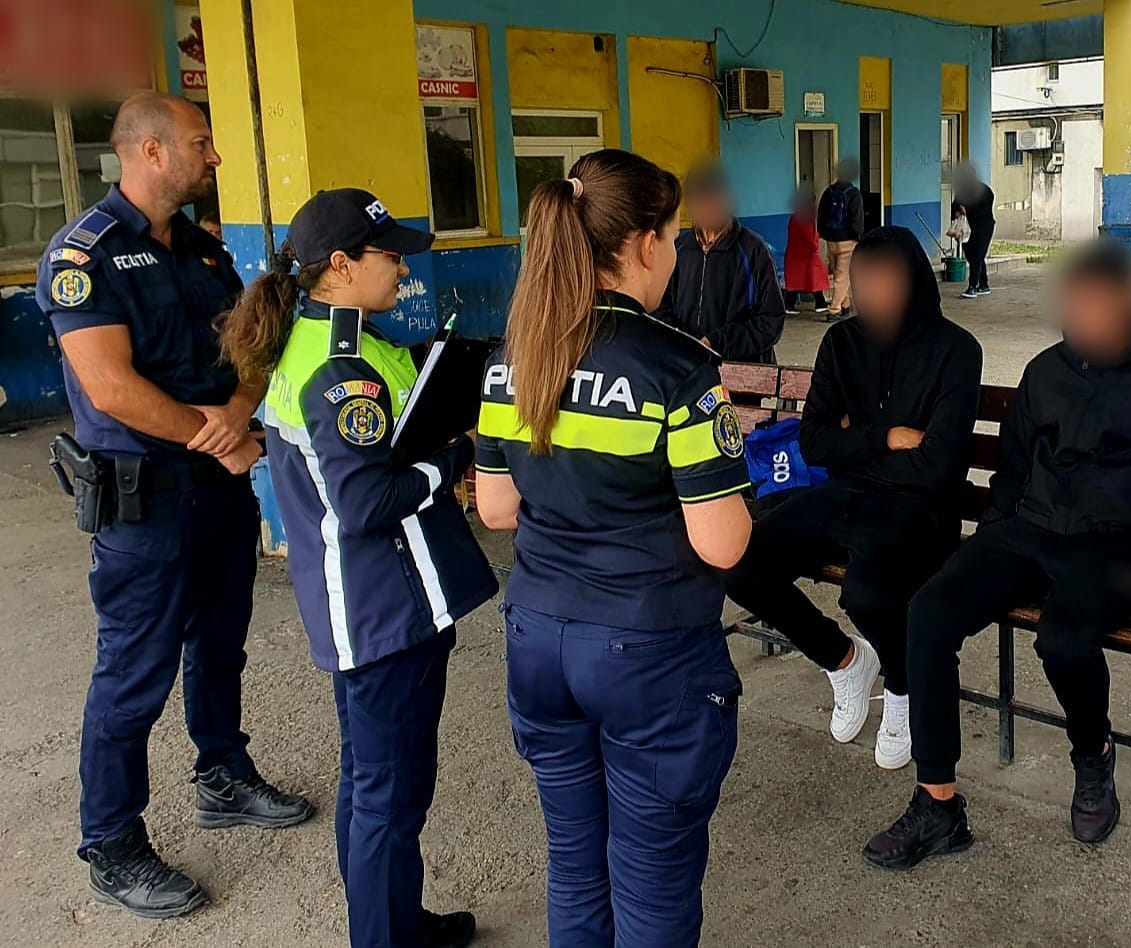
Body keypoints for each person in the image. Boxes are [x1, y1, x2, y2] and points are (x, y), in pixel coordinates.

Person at [865, 238, 1131, 870]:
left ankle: (1092, 755)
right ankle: (938, 804)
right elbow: (1013, 467)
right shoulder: (1045, 371)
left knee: (1064, 640)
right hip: (1031, 530)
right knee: (927, 612)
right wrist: (995, 530)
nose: (1085, 317)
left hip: (1116, 546)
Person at [34, 91, 314, 919]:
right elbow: (111, 387)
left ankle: (222, 773)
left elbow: (251, 348)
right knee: (133, 672)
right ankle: (111, 840)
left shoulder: (203, 250)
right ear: (151, 151)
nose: (215, 156)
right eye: (202, 142)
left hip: (216, 489)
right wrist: (218, 436)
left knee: (220, 643)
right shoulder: (82, 255)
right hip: (143, 502)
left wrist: (241, 410)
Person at [476, 149, 753, 947]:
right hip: (649, 655)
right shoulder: (680, 368)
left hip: (538, 640)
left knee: (575, 865)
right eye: (671, 235)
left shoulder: (514, 356)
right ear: (643, 243)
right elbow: (723, 543)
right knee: (652, 880)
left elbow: (497, 508)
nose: (674, 253)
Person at [219, 188, 497, 948]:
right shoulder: (338, 369)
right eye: (390, 254)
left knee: (372, 781)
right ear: (340, 266)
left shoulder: (329, 339)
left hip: (363, 603)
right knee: (389, 796)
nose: (403, 267)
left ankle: (392, 923)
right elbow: (368, 501)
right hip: (384, 610)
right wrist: (454, 459)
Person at [725, 226, 982, 769]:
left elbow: (939, 468)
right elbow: (815, 443)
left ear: (914, 282)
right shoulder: (841, 343)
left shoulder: (957, 351)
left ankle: (902, 684)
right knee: (740, 564)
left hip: (922, 509)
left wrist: (853, 440)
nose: (873, 295)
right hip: (844, 492)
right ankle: (843, 660)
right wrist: (887, 437)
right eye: (864, 282)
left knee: (867, 594)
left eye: (887, 282)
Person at [655, 159, 785, 363]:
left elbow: (771, 321)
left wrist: (716, 343)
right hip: (687, 364)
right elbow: (659, 307)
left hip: (742, 368)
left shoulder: (753, 250)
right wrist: (687, 342)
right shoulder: (677, 248)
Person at [817, 157, 865, 319]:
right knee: (842, 277)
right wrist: (858, 236)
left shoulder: (828, 192)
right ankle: (835, 309)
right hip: (848, 241)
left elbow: (821, 215)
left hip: (831, 240)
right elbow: (857, 220)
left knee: (840, 274)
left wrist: (824, 234)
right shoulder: (854, 193)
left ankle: (845, 304)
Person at [783, 183, 829, 314]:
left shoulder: (796, 216)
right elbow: (810, 237)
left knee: (796, 281)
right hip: (803, 255)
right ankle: (819, 303)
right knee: (814, 278)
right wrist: (816, 246)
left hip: (796, 255)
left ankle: (790, 305)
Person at [951, 163, 995, 300]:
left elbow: (983, 209)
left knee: (977, 255)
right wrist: (957, 212)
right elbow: (954, 208)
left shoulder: (985, 191)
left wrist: (967, 210)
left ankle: (972, 286)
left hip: (983, 227)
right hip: (968, 229)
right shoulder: (962, 191)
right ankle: (984, 284)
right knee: (973, 256)